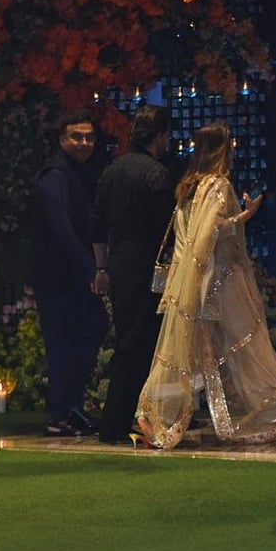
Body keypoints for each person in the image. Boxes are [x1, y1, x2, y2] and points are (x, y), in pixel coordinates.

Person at [136, 121, 276, 449]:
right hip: (217, 280)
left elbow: (186, 240)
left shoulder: (188, 187)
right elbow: (210, 234)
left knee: (186, 350)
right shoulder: (217, 185)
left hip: (193, 281)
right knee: (245, 341)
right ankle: (274, 415)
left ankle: (154, 413)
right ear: (221, 149)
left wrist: (183, 283)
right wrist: (245, 216)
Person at [90, 105, 175, 444]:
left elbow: (97, 223)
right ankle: (119, 420)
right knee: (140, 344)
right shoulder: (156, 174)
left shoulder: (112, 171)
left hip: (118, 263)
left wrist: (101, 267)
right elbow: (166, 229)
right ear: (160, 136)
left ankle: (122, 418)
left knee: (128, 338)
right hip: (146, 265)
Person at [30, 112, 108, 438]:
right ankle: (60, 413)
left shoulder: (79, 173)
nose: (84, 143)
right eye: (77, 136)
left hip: (72, 275)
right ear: (62, 139)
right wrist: (91, 268)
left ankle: (70, 408)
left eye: (89, 137)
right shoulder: (55, 175)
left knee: (85, 334)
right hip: (58, 277)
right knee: (64, 342)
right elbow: (59, 228)